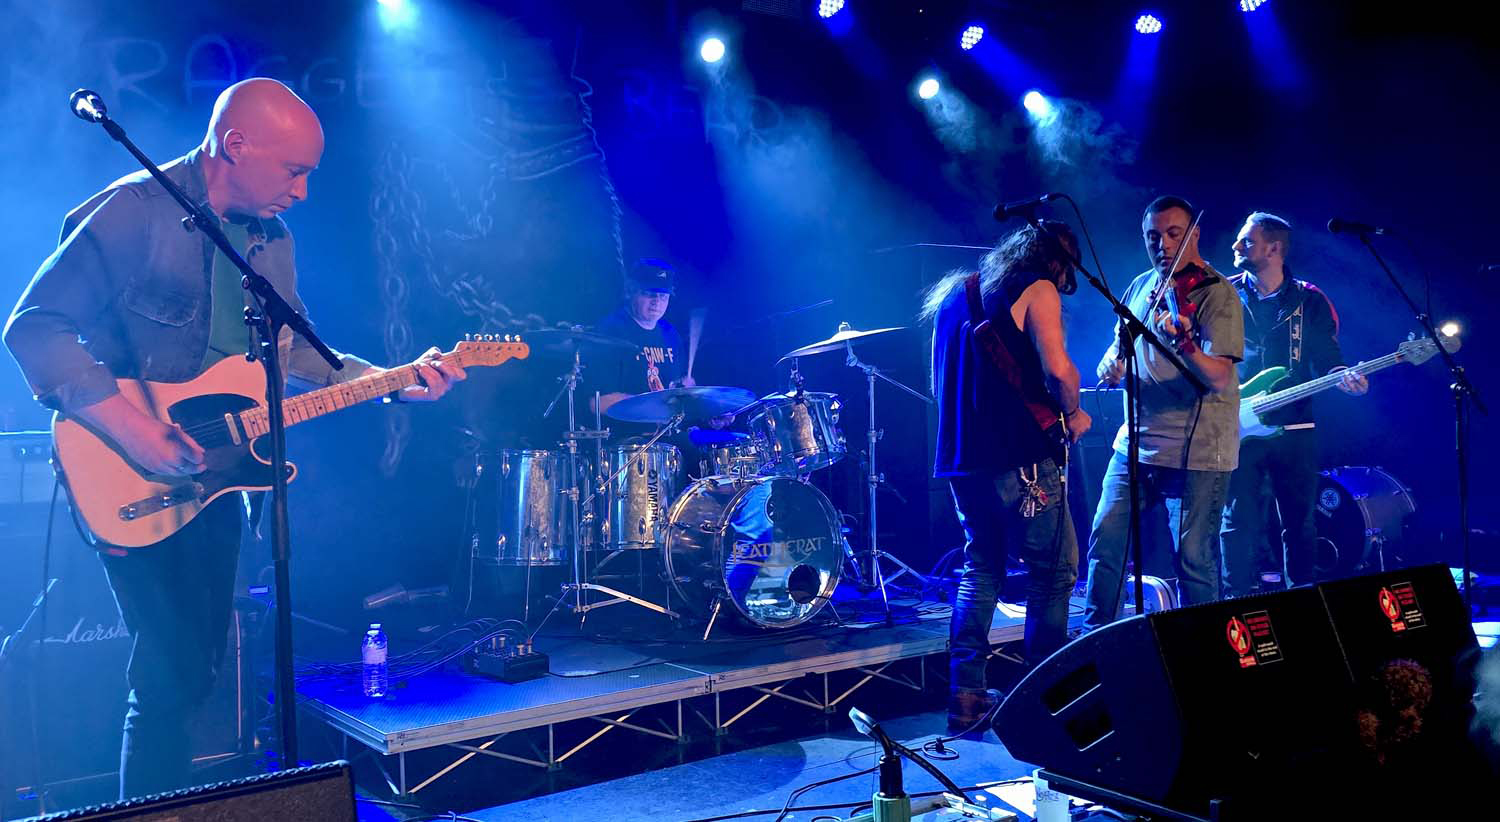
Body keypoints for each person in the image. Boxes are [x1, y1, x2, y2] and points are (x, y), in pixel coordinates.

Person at [3, 78, 465, 800]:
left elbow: (294, 348)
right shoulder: (133, 210)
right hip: (121, 466)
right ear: (236, 144)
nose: (303, 192)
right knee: (168, 671)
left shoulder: (269, 238)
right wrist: (134, 430)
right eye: (294, 171)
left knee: (197, 671)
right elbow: (33, 328)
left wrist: (392, 380)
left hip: (217, 476)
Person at [922, 220, 1092, 731]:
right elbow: (1059, 370)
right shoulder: (1037, 287)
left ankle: (966, 698)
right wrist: (1074, 413)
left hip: (962, 459)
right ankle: (1047, 701)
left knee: (982, 569)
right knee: (1053, 573)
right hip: (1020, 457)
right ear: (1057, 260)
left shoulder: (955, 293)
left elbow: (936, 384)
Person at [1082, 196, 1242, 631]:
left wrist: (1186, 345)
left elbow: (1219, 377)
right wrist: (1110, 364)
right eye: (1153, 236)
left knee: (1193, 560)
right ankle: (1096, 642)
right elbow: (1117, 348)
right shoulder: (1140, 286)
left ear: (1194, 234)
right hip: (1136, 444)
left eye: (1174, 234)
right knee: (1106, 542)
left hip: (1198, 451)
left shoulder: (1217, 293)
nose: (1163, 245)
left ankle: (1204, 648)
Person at [1219, 212, 1367, 597]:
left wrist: (1344, 377)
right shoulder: (1223, 293)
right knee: (1236, 523)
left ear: (1274, 248)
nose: (1236, 246)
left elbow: (1328, 356)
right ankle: (1235, 602)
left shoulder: (1309, 299)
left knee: (1300, 523)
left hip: (1295, 427)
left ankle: (1302, 601)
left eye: (1247, 241)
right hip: (1237, 423)